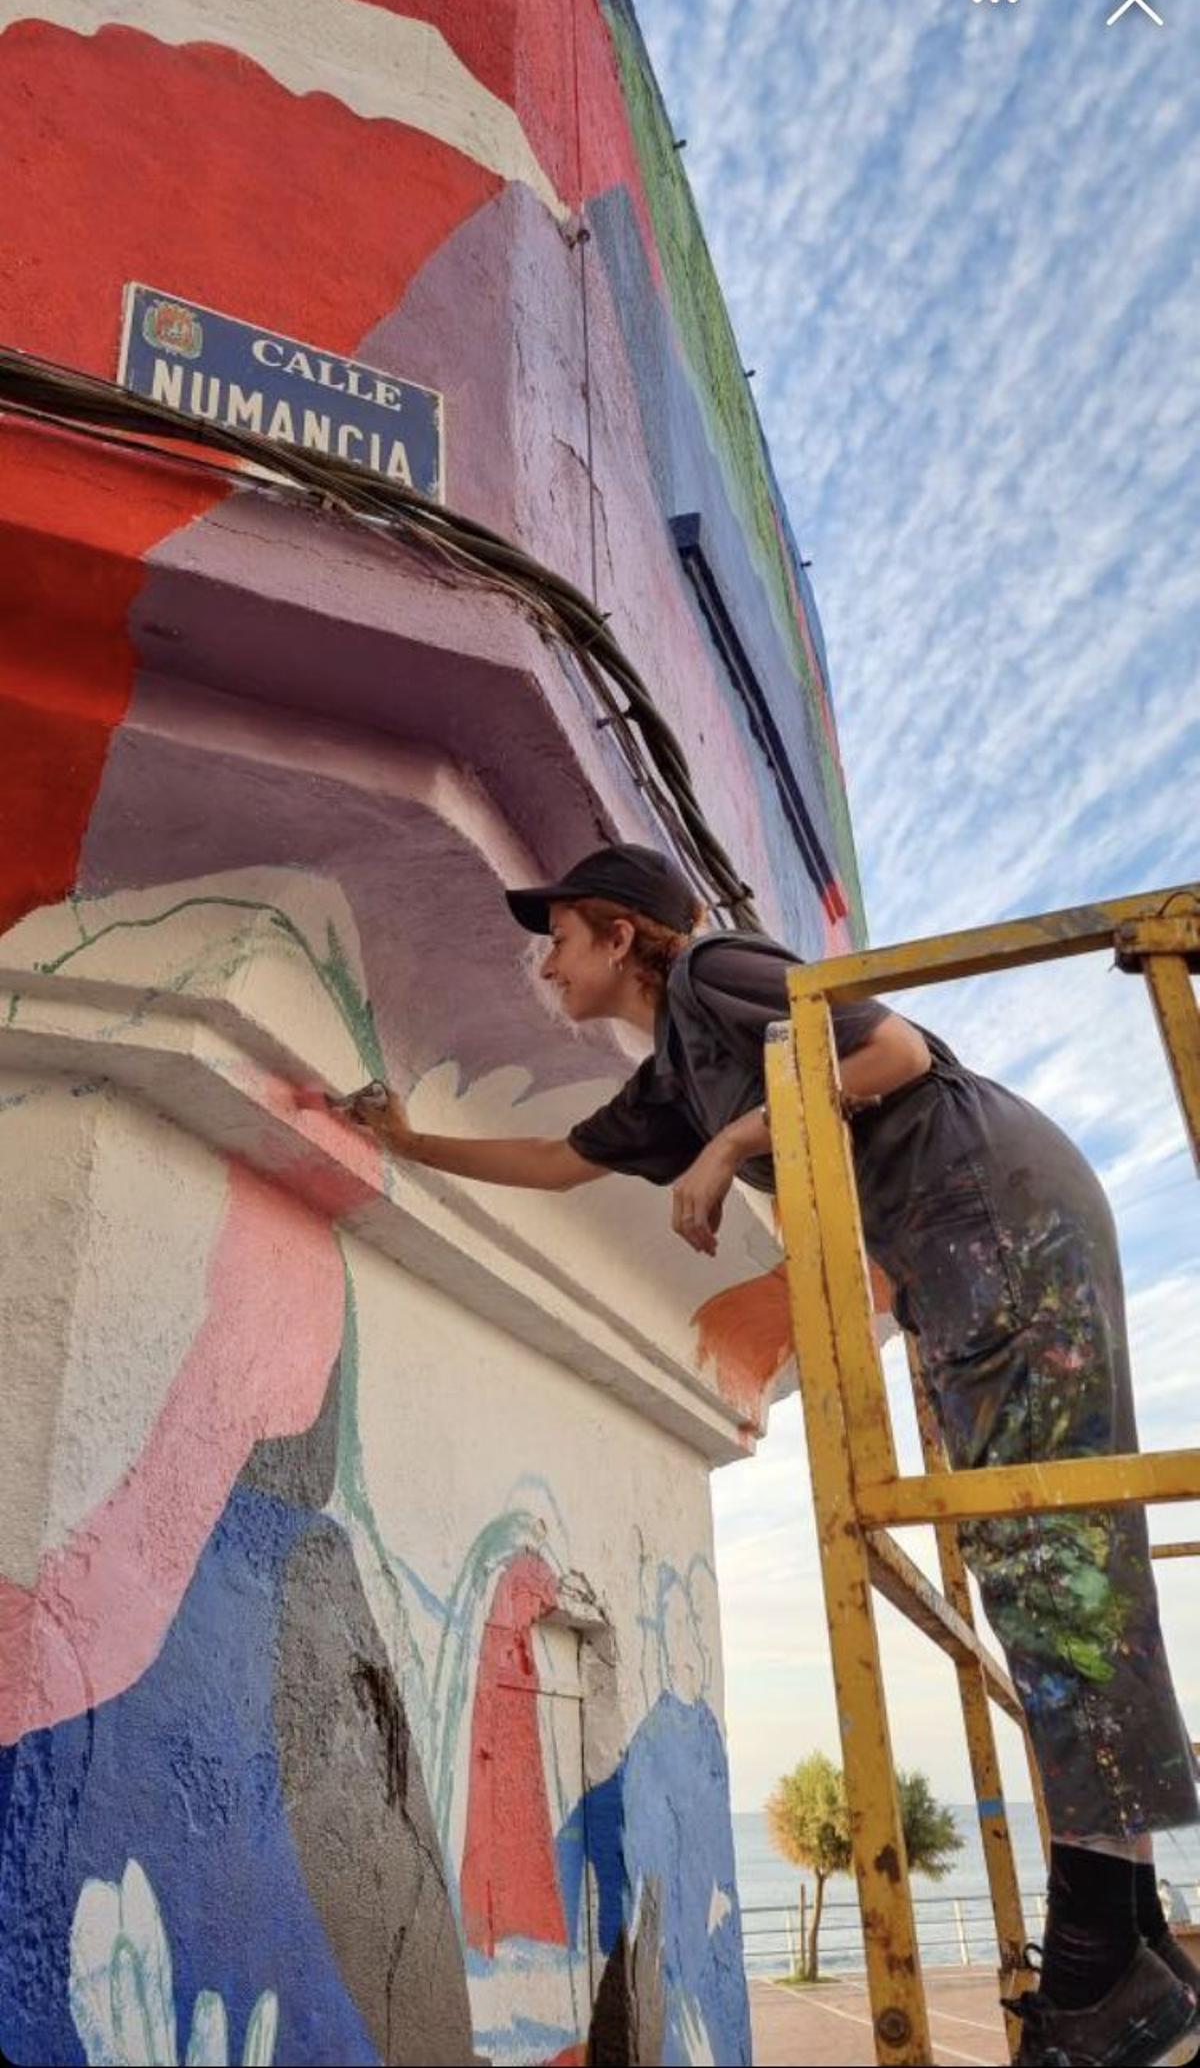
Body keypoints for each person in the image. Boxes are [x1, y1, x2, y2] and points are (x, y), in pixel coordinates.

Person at [338, 842, 1200, 2068]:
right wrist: (409, 1142)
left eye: (560, 937)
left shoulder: (713, 971)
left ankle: (1102, 1958)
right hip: (965, 1236)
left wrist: (726, 1148)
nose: (546, 963)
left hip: (992, 1213)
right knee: (1039, 1555)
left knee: (1050, 1556)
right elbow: (557, 1162)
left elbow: (896, 1052)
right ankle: (1128, 1934)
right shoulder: (671, 1077)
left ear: (623, 935)